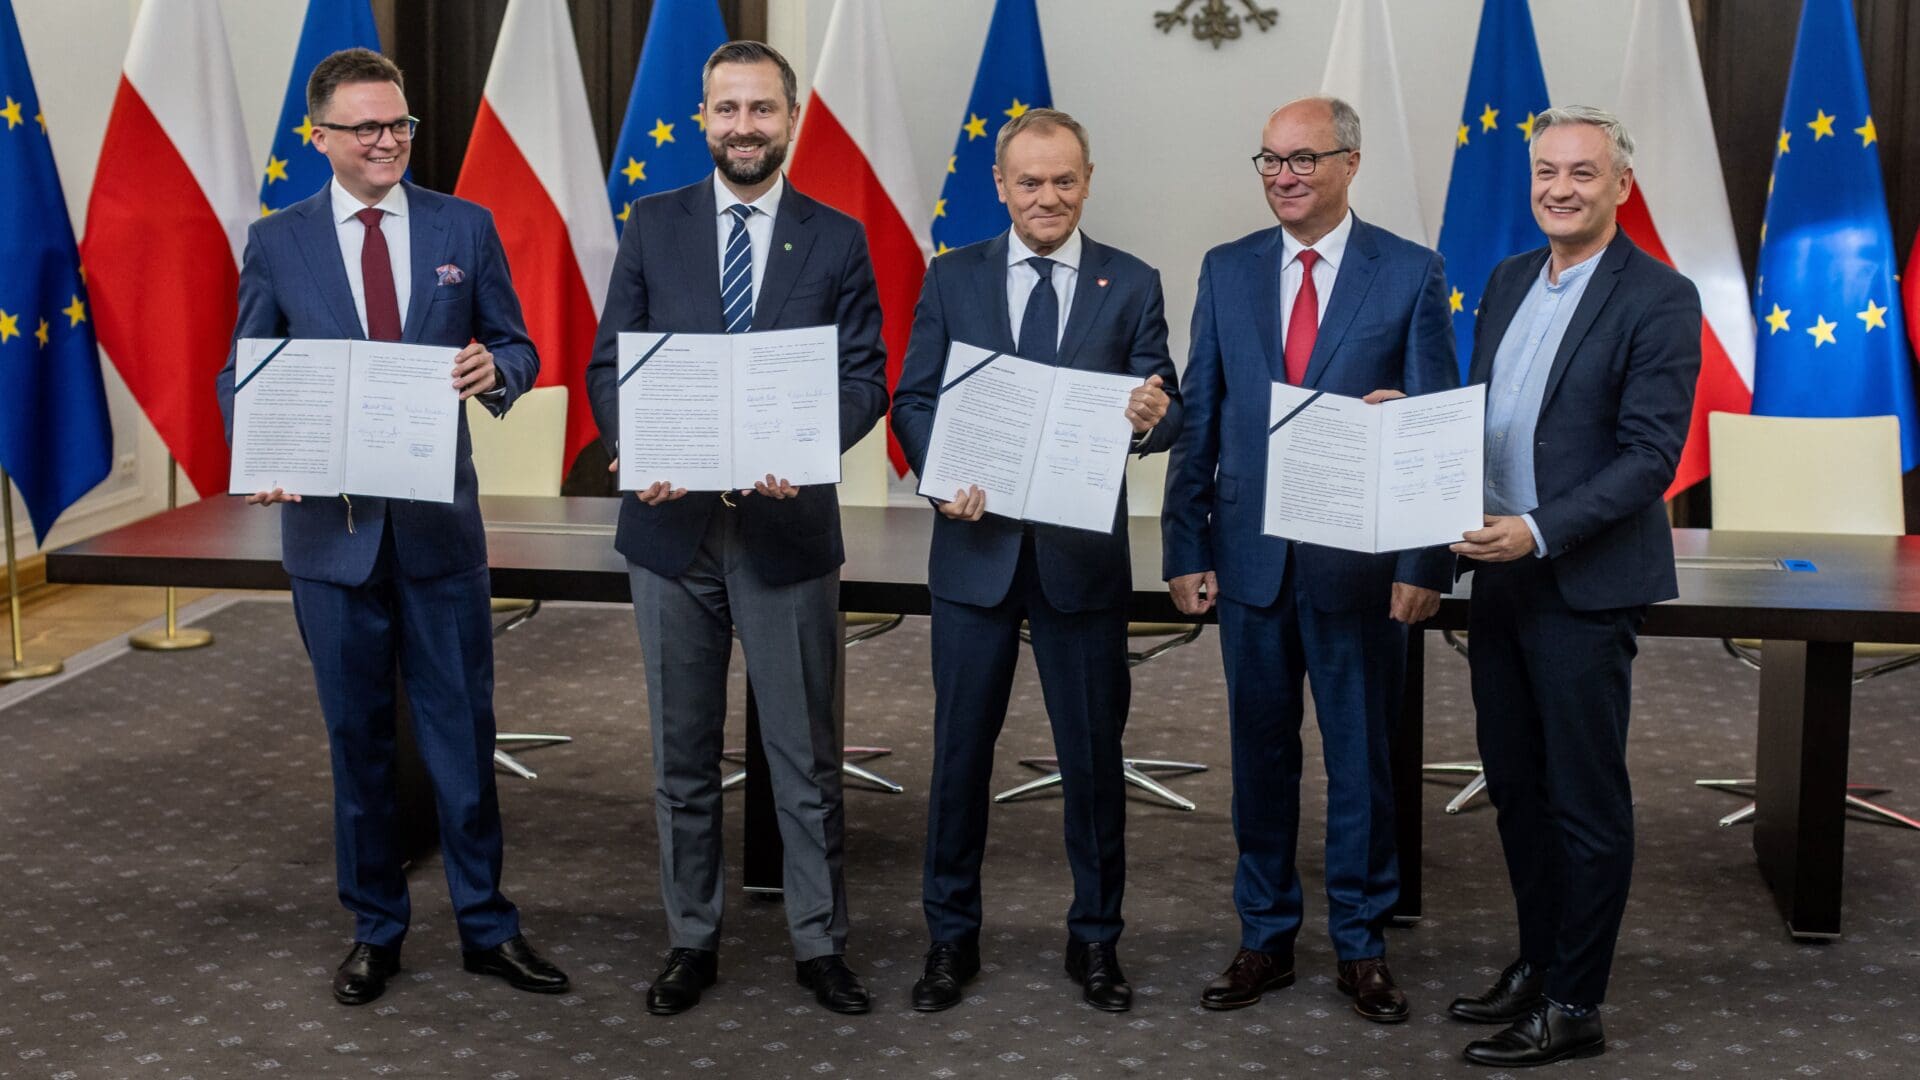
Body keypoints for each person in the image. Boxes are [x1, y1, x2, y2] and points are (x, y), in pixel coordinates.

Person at [215, 47, 566, 1006]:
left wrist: (501, 372)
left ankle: (488, 928)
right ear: (320, 137)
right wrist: (261, 451)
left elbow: (521, 343)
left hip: (438, 535)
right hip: (331, 541)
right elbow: (246, 366)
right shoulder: (279, 239)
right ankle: (377, 929)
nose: (387, 141)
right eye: (366, 127)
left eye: (400, 124)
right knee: (358, 741)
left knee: (462, 736)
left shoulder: (465, 223)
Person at [583, 40, 888, 1017]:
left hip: (786, 529)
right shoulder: (650, 224)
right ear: (704, 118)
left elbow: (866, 377)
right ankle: (691, 939)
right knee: (682, 759)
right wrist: (634, 438)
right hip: (672, 537)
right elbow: (607, 366)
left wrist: (806, 443)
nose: (745, 127)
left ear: (790, 121)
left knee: (802, 757)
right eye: (728, 109)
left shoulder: (836, 237)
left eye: (763, 110)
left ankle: (817, 943)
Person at [1160, 95, 1456, 1024]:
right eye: (1270, 160)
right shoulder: (1227, 267)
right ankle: (1265, 937)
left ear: (1350, 164)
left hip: (1362, 569)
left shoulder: (1409, 274)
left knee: (1363, 762)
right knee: (1259, 758)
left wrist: (1425, 562)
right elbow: (1199, 414)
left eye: (1304, 159)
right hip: (1248, 563)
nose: (1284, 176)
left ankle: (1362, 946)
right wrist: (1184, 544)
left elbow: (1431, 432)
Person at [891, 108, 1180, 1014]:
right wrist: (943, 478)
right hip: (974, 555)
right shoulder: (953, 279)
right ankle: (950, 940)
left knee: (1093, 762)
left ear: (1087, 180)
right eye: (1029, 182)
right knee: (960, 759)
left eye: (1063, 181)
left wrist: (1150, 415)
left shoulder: (1130, 283)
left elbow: (1164, 397)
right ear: (1002, 186)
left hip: (1077, 563)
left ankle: (1096, 943)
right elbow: (913, 400)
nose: (1047, 197)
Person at [1447, 105, 1699, 1068]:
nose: (1560, 188)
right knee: (1515, 787)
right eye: (1547, 171)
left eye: (1582, 173)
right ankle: (1539, 961)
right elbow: (1489, 418)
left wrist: (1542, 530)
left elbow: (1650, 459)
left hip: (1583, 581)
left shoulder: (1659, 296)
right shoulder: (1512, 279)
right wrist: (1414, 424)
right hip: (1498, 576)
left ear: (1621, 187)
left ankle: (1577, 1004)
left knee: (1582, 798)